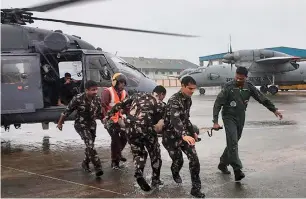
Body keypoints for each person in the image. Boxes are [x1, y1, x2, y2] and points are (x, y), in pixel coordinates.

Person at [212, 66, 283, 181]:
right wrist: (215, 121)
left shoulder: (249, 86)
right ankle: (237, 170)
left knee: (233, 142)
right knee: (233, 141)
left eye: (241, 78)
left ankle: (222, 163)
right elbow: (218, 103)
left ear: (246, 77)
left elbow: (262, 98)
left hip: (240, 116)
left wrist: (274, 110)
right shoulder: (228, 86)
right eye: (237, 77)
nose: (238, 80)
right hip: (228, 116)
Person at [104, 85, 167, 191]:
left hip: (130, 128)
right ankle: (155, 180)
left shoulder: (137, 95)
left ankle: (138, 173)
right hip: (146, 129)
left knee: (139, 153)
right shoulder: (160, 104)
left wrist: (108, 115)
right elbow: (163, 122)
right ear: (161, 94)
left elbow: (119, 104)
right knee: (155, 154)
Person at [162, 76, 205, 198]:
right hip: (170, 137)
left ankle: (195, 189)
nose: (192, 91)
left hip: (184, 135)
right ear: (183, 86)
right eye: (190, 88)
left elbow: (185, 119)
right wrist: (184, 135)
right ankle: (175, 172)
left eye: (194, 89)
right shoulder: (174, 101)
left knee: (194, 160)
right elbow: (175, 120)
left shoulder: (188, 100)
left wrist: (193, 132)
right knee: (178, 160)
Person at [56, 80, 103, 177]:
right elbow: (67, 111)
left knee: (90, 146)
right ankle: (98, 167)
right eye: (92, 90)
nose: (95, 92)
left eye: (96, 89)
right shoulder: (78, 98)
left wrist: (105, 121)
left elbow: (99, 113)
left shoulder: (97, 99)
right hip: (81, 125)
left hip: (92, 125)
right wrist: (60, 123)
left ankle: (85, 163)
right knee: (90, 145)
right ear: (86, 90)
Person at [101, 73, 128, 169]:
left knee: (125, 136)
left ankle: (117, 155)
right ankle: (115, 160)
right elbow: (103, 106)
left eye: (124, 83)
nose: (122, 85)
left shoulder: (125, 93)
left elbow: (127, 107)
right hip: (109, 120)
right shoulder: (107, 92)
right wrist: (106, 119)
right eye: (121, 83)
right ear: (115, 82)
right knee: (115, 138)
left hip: (119, 119)